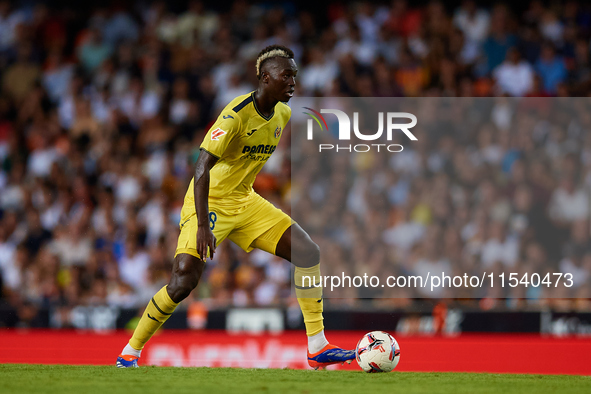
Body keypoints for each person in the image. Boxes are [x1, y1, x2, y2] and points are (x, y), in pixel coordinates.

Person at [116, 45, 355, 369]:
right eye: (286, 75)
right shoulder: (235, 114)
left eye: (294, 75)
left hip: (244, 199)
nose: (293, 82)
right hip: (209, 200)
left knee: (307, 252)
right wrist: (202, 225)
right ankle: (130, 352)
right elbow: (201, 168)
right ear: (265, 77)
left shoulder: (283, 113)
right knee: (184, 280)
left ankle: (317, 346)